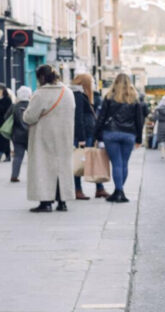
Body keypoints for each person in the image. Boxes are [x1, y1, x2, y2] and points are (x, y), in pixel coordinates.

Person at [22, 65, 76, 212]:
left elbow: (29, 117)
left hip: (44, 137)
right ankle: (62, 201)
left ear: (41, 77)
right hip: (64, 137)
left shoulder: (40, 94)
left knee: (44, 168)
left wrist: (24, 113)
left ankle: (45, 202)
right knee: (62, 169)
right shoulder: (68, 93)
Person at [94, 73, 143, 203]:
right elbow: (139, 120)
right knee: (124, 163)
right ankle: (120, 191)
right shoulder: (134, 98)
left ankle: (118, 191)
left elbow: (101, 117)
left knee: (116, 163)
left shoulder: (109, 97)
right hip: (129, 134)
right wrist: (139, 139)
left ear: (115, 82)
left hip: (111, 133)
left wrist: (97, 135)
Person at [71, 73, 108, 200]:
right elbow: (78, 117)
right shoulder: (78, 96)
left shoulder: (83, 95)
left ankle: (99, 188)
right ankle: (77, 189)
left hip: (89, 133)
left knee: (93, 159)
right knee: (79, 161)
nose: (92, 84)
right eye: (91, 82)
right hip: (84, 134)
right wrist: (81, 138)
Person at [10, 86, 31, 182]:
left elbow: (7, 118)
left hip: (17, 135)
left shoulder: (14, 106)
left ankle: (14, 175)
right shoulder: (32, 105)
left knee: (18, 156)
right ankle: (34, 176)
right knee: (33, 157)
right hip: (31, 135)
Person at [0, 83, 12, 162]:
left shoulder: (7, 99)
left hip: (4, 122)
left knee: (4, 139)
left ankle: (6, 154)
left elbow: (7, 111)